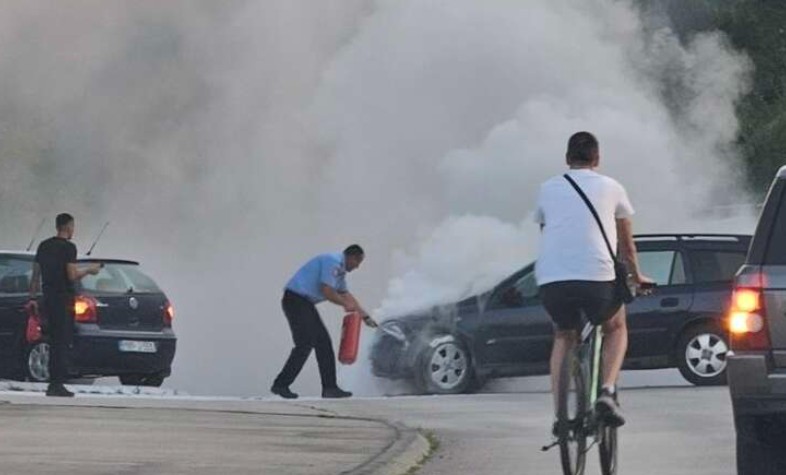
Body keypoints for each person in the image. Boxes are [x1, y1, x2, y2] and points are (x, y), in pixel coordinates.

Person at [534, 132, 653, 428]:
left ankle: (560, 415)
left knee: (563, 335)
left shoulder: (546, 189)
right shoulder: (612, 188)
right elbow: (627, 247)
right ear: (597, 159)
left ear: (567, 159)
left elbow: (546, 231)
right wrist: (637, 277)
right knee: (615, 326)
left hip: (552, 278)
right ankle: (607, 391)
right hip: (597, 279)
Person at [271, 245, 378, 400]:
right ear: (351, 257)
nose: (357, 267)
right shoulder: (332, 261)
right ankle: (281, 385)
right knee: (306, 344)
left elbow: (346, 294)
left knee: (322, 343)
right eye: (358, 262)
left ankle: (329, 388)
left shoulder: (340, 272)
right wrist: (343, 304)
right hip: (296, 300)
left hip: (303, 303)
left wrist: (365, 317)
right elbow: (327, 291)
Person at [28, 214, 101, 397]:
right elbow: (71, 275)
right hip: (63, 300)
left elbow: (36, 275)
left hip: (47, 298)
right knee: (61, 341)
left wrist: (33, 298)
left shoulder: (43, 245)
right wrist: (89, 270)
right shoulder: (69, 248)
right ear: (68, 227)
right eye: (73, 226)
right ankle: (56, 383)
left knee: (52, 339)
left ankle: (53, 382)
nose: (73, 230)